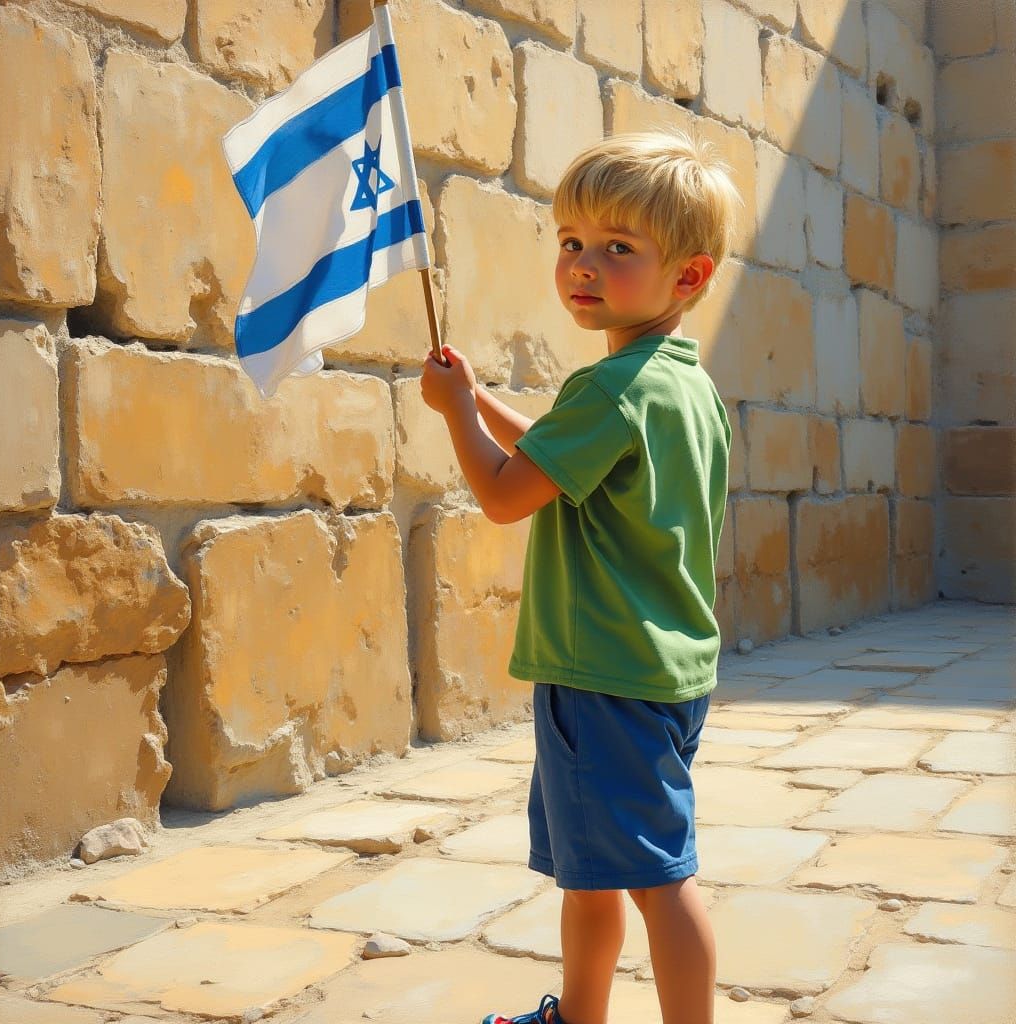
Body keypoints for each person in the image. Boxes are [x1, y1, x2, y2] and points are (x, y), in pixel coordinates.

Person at [420, 130, 741, 1024]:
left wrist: (453, 418)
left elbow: (505, 494)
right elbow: (565, 454)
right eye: (571, 243)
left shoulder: (610, 390)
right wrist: (480, 398)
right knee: (591, 870)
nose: (584, 267)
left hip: (600, 676)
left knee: (659, 881)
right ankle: (580, 1015)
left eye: (618, 249)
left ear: (688, 276)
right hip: (662, 672)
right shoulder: (682, 384)